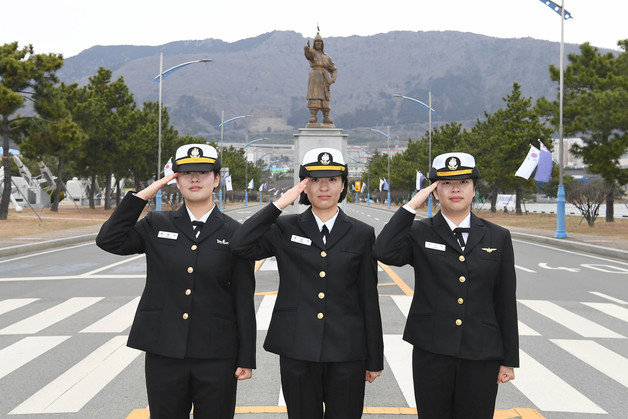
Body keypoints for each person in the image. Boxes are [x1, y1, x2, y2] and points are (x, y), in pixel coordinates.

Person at [96, 144, 256, 419]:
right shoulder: (157, 224)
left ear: (216, 179)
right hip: (164, 351)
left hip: (217, 355)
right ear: (175, 179)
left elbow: (243, 297)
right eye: (186, 173)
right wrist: (145, 194)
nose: (195, 179)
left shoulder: (235, 232)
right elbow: (109, 239)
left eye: (203, 172)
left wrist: (246, 357)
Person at [230, 147, 383, 419]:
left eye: (332, 179)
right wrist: (279, 205)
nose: (324, 186)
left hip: (347, 351)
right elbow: (240, 245)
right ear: (303, 186)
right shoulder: (285, 228)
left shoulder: (362, 233)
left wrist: (374, 358)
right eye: (314, 180)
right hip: (297, 347)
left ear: (343, 185)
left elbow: (368, 297)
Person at [373, 152, 518, 419]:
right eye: (446, 183)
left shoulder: (498, 236)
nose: (455, 189)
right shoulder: (420, 232)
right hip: (432, 350)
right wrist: (411, 206)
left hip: (481, 353)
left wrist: (508, 359)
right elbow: (383, 250)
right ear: (435, 191)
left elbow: (505, 299)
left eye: (463, 182)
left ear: (474, 189)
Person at [304, 32, 337, 125]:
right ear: (314, 43)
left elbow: (334, 69)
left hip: (325, 77)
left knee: (326, 97)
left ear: (322, 44)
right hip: (315, 76)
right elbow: (308, 55)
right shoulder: (313, 53)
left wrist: (332, 79)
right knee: (314, 95)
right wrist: (306, 49)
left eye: (320, 42)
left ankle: (326, 116)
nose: (318, 43)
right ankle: (313, 116)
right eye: (316, 42)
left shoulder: (327, 57)